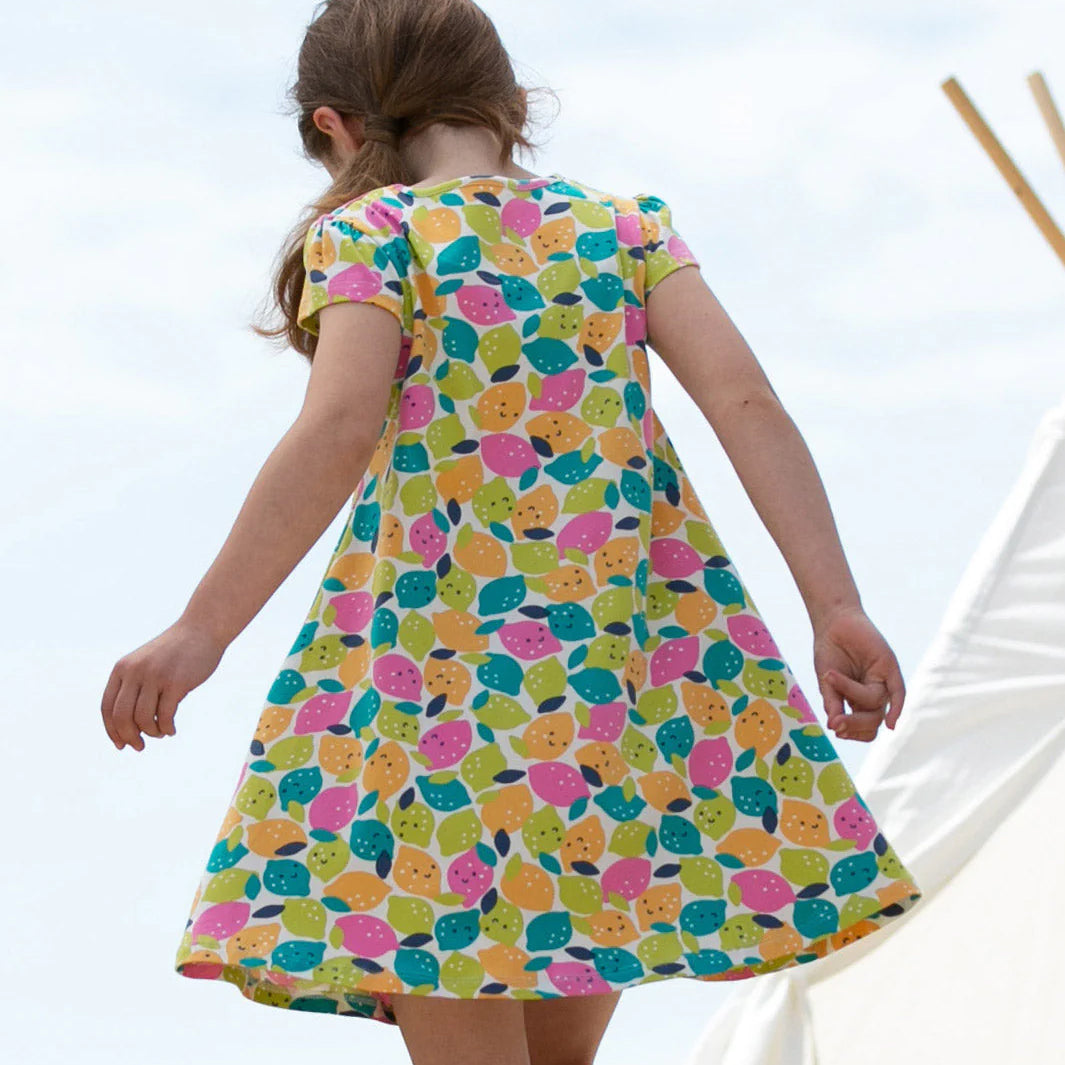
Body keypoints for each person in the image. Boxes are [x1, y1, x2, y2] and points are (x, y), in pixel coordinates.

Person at [100, 1, 922, 1062]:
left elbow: (337, 427)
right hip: (614, 707)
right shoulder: (625, 231)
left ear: (334, 126)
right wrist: (834, 603)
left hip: (434, 708)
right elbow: (746, 402)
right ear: (511, 101)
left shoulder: (375, 233)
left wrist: (200, 628)